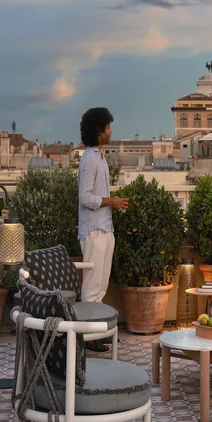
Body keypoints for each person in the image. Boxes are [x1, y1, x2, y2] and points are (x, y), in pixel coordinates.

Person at [78, 107, 128, 351]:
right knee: (91, 286)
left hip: (105, 229)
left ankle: (95, 331)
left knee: (101, 284)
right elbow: (85, 198)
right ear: (99, 132)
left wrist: (112, 204)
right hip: (94, 231)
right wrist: (112, 201)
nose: (110, 130)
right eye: (108, 127)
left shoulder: (99, 157)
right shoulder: (88, 160)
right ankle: (87, 337)